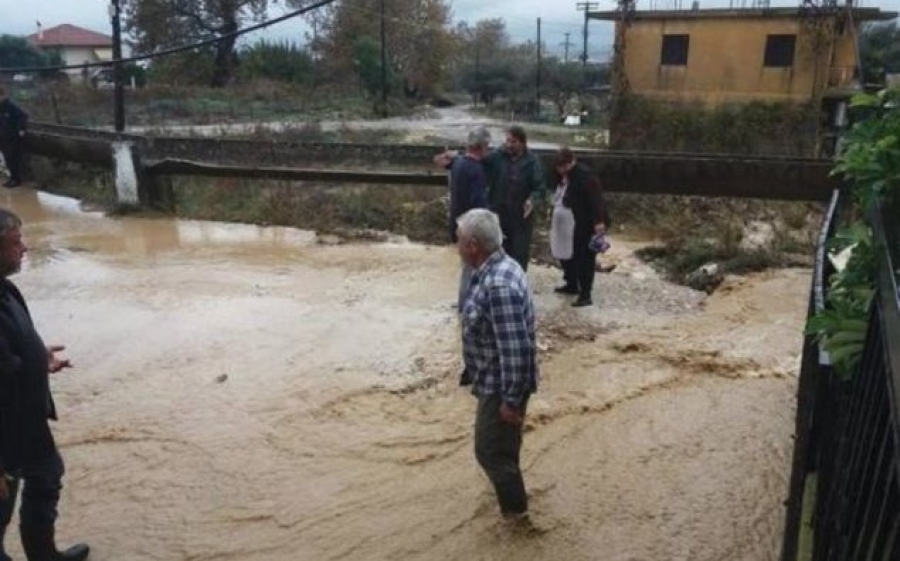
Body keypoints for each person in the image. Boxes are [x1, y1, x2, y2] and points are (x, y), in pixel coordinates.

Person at [0, 209, 89, 561]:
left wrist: (40, 360)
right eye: (15, 242)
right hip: (3, 434)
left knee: (46, 477)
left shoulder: (7, 290)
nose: (24, 248)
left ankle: (44, 556)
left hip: (28, 422)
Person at [456, 208, 538, 522]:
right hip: (494, 378)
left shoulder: (498, 286)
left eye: (459, 238)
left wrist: (511, 401)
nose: (456, 243)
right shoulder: (498, 267)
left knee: (489, 451)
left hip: (502, 384)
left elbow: (515, 349)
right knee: (503, 449)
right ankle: (511, 497)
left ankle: (517, 520)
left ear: (473, 245)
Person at [434, 127, 491, 311]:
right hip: (471, 227)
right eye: (487, 146)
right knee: (472, 269)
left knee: (466, 267)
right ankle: (467, 306)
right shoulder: (476, 171)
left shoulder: (458, 164)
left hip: (457, 224)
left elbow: (446, 160)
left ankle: (463, 303)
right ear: (481, 146)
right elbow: (479, 205)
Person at [550, 147, 609, 307]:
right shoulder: (569, 176)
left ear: (569, 163)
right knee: (574, 254)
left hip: (588, 222)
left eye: (562, 166)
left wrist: (598, 221)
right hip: (578, 221)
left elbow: (596, 200)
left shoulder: (585, 176)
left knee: (586, 258)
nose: (560, 170)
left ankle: (586, 294)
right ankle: (574, 285)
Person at [481, 126, 546, 272]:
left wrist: (532, 200)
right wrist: (454, 160)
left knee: (519, 253)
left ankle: (517, 283)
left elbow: (539, 188)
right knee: (497, 250)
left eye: (513, 142)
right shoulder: (498, 156)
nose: (509, 145)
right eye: (508, 141)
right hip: (499, 213)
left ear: (522, 143)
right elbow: (477, 160)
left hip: (520, 216)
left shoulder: (532, 161)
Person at [0, 88, 28, 189]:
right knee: (7, 158)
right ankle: (12, 177)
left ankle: (17, 179)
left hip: (12, 137)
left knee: (14, 159)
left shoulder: (11, 106)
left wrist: (20, 129)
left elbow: (23, 116)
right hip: (2, 137)